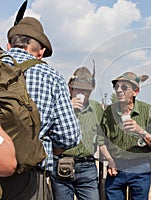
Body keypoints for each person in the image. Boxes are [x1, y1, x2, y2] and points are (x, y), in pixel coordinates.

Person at [1, 17, 81, 199]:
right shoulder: (51, 76)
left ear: (8, 45)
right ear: (41, 52)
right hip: (29, 179)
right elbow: (69, 136)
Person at [99, 71, 151, 200]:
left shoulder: (147, 111)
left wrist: (141, 131)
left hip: (140, 166)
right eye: (116, 87)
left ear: (136, 92)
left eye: (124, 87)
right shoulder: (109, 112)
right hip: (116, 167)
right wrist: (110, 161)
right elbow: (101, 141)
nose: (119, 91)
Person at [50, 66, 103, 200]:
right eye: (79, 89)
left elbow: (103, 137)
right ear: (70, 88)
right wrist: (67, 108)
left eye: (86, 91)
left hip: (87, 166)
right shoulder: (59, 105)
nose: (82, 94)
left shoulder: (96, 108)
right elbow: (48, 129)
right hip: (62, 164)